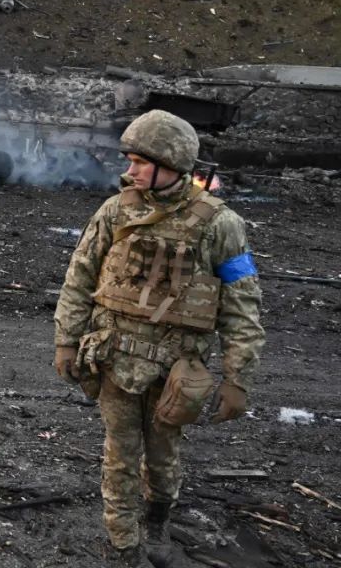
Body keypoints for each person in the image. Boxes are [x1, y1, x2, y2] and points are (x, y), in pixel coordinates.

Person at [52, 110, 264, 566]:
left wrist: (236, 378)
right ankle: (123, 545)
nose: (128, 171)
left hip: (177, 369)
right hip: (115, 358)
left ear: (171, 165)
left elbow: (242, 304)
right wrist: (66, 340)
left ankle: (158, 524)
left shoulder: (220, 224)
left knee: (164, 458)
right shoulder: (116, 211)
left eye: (138, 162)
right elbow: (80, 275)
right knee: (120, 456)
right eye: (128, 160)